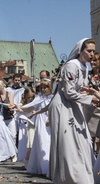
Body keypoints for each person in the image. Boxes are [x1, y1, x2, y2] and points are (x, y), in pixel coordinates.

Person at [48, 38, 97, 183]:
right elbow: (68, 92)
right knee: (68, 142)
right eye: (89, 51)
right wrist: (90, 99)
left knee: (81, 140)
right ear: (80, 51)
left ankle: (81, 176)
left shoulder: (84, 67)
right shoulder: (71, 65)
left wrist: (87, 93)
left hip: (73, 104)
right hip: (63, 105)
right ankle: (68, 177)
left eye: (93, 51)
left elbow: (76, 89)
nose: (92, 54)